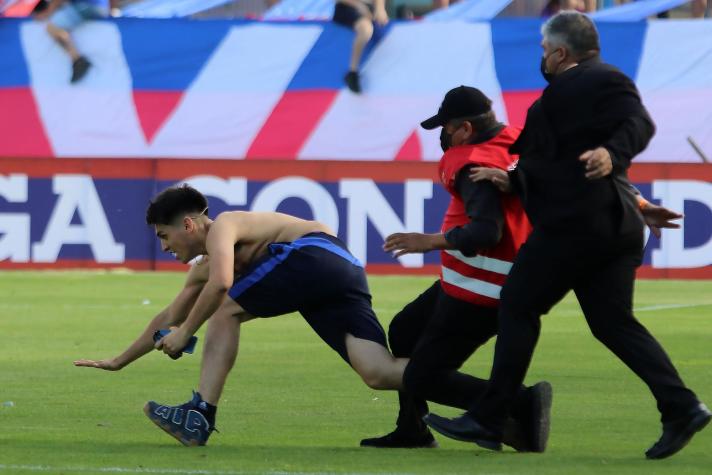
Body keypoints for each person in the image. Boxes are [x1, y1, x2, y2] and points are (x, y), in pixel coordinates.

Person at [423, 11, 710, 460]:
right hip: (611, 226)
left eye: (543, 49)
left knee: (517, 305)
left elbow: (638, 125)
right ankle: (681, 406)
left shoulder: (596, 80)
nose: (542, 56)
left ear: (559, 52)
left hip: (574, 227)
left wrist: (612, 154)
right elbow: (550, 164)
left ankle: (490, 415)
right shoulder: (571, 92)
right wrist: (512, 182)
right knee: (613, 324)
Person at [75, 185, 407, 446]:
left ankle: (200, 414)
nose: (164, 247)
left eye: (164, 235)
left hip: (313, 255)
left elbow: (221, 285)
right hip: (340, 268)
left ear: (188, 224)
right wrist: (119, 361)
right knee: (378, 372)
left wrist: (186, 331)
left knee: (225, 309)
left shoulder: (224, 226)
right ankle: (452, 383)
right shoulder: (206, 265)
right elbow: (170, 315)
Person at [360, 86, 554, 453]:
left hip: (481, 287)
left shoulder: (470, 163)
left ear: (464, 128)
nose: (442, 137)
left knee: (425, 376)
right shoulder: (515, 140)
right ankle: (413, 428)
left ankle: (520, 403)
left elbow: (486, 230)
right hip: (478, 279)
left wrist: (428, 241)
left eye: (445, 129)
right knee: (404, 330)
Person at [35, 0, 118, 83]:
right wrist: (112, 10)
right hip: (99, 7)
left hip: (88, 6)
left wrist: (48, 12)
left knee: (51, 27)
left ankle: (77, 59)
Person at [332, 0, 388, 94]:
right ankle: (352, 72)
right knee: (366, 29)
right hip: (347, 7)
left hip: (367, 8)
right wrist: (358, 5)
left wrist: (380, 9)